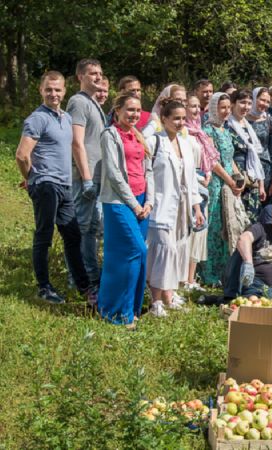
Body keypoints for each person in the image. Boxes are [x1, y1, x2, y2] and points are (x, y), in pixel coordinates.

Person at [15, 71, 97, 305]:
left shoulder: (66, 118)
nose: (53, 93)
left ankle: (84, 287)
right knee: (44, 235)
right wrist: (32, 178)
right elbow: (21, 155)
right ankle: (44, 288)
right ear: (41, 90)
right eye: (49, 89)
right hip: (46, 185)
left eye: (58, 89)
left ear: (64, 91)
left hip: (64, 185)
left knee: (72, 235)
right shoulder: (37, 118)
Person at [96, 92, 153, 326]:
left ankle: (133, 309)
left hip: (142, 200)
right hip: (119, 202)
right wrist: (135, 205)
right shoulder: (110, 135)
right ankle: (117, 312)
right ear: (117, 110)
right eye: (130, 109)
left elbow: (149, 170)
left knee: (138, 256)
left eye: (138, 110)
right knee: (133, 250)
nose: (134, 114)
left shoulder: (139, 136)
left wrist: (149, 202)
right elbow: (114, 174)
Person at [145, 99, 204, 317]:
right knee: (162, 251)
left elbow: (192, 179)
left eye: (183, 118)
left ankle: (169, 296)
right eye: (175, 118)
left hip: (182, 207)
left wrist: (197, 207)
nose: (180, 122)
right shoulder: (154, 142)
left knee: (177, 251)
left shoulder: (186, 144)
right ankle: (155, 301)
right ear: (164, 119)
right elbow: (146, 174)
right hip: (160, 205)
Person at [67, 58, 106, 288]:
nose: (98, 77)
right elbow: (76, 142)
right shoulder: (78, 102)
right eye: (93, 73)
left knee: (91, 228)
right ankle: (77, 279)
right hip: (84, 177)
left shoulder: (93, 102)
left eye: (100, 73)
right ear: (80, 76)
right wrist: (87, 178)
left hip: (97, 176)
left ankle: (90, 275)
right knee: (81, 228)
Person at [201, 93, 245, 285]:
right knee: (215, 225)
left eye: (228, 107)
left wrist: (239, 177)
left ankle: (226, 270)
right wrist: (229, 181)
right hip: (217, 183)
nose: (226, 111)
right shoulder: (208, 130)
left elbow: (229, 158)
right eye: (222, 108)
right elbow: (213, 162)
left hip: (229, 182)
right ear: (213, 108)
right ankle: (210, 272)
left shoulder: (225, 130)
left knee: (228, 223)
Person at [185, 95, 217, 292]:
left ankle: (191, 278)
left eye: (198, 106)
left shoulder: (200, 132)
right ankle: (183, 279)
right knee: (190, 231)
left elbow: (208, 160)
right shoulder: (183, 133)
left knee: (200, 231)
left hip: (204, 183)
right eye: (192, 106)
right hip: (191, 183)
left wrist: (208, 173)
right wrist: (199, 178)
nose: (197, 110)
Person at [226, 89, 267, 222]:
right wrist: (238, 177)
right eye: (243, 102)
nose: (246, 107)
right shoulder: (227, 125)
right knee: (238, 219)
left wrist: (261, 184)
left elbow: (255, 156)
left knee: (252, 220)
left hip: (252, 179)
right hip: (237, 177)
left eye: (249, 103)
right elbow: (227, 154)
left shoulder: (248, 126)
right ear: (233, 104)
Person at [247, 87, 272, 199]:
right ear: (253, 98)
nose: (265, 104)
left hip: (266, 171)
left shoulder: (270, 121)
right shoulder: (241, 120)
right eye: (262, 100)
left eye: (267, 102)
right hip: (247, 171)